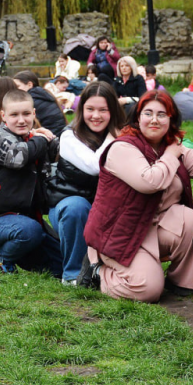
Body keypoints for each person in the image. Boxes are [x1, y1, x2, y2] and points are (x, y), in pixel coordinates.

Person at [82, 90, 193, 302]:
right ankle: (97, 270)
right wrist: (171, 156)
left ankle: (181, 281)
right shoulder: (122, 147)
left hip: (151, 224)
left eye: (162, 114)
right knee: (147, 288)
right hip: (118, 231)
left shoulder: (171, 145)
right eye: (148, 113)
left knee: (190, 219)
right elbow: (150, 182)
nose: (154, 120)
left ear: (171, 119)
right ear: (138, 117)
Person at [0, 89, 62, 276]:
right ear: (3, 116)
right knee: (30, 231)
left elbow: (59, 153)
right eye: (14, 115)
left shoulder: (34, 138)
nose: (21, 120)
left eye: (26, 114)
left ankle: (16, 257)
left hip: (27, 220)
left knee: (60, 263)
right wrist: (40, 139)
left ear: (34, 114)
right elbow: (18, 157)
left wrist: (52, 139)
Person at [46, 82, 125, 285]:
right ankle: (72, 274)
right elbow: (94, 166)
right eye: (90, 109)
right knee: (77, 207)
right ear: (82, 110)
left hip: (105, 208)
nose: (96, 116)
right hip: (69, 206)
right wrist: (113, 136)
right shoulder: (69, 136)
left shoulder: (122, 135)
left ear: (112, 111)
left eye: (103, 110)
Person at [12, 71, 66, 137]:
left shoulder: (31, 101)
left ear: (29, 84)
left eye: (18, 86)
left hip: (51, 138)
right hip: (59, 135)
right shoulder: (42, 94)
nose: (15, 90)